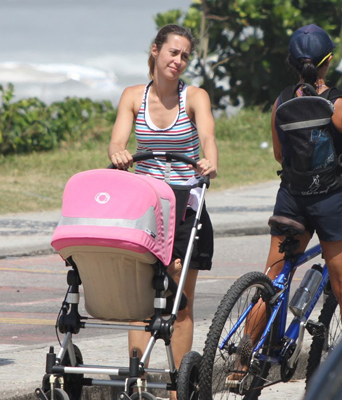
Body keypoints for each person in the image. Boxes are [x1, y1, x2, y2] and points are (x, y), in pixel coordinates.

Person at [108, 24, 218, 396]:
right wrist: (119, 154)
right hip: (148, 204)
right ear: (155, 51)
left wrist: (210, 160)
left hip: (186, 202)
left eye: (185, 55)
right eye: (173, 52)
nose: (179, 61)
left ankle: (178, 387)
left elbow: (208, 136)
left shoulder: (195, 96)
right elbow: (118, 142)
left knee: (179, 301)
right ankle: (137, 381)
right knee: (142, 299)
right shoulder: (133, 96)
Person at [266, 24, 342, 328]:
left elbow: (279, 155)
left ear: (293, 64)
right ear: (328, 61)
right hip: (331, 202)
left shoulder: (281, 102)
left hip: (290, 198)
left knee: (272, 279)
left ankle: (243, 365)